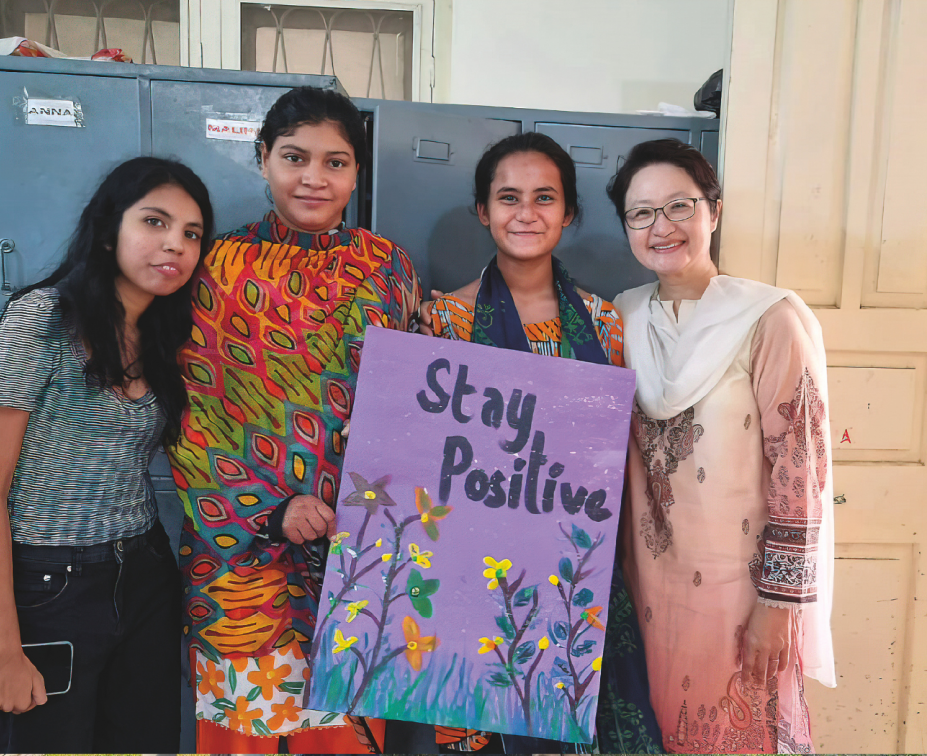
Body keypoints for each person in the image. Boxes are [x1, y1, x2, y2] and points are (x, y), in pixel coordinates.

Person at [167, 86, 421, 753]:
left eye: (335, 162)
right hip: (241, 551)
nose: (314, 177)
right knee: (244, 728)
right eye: (294, 157)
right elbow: (190, 410)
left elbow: (413, 402)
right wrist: (270, 510)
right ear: (263, 159)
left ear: (357, 172)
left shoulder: (389, 267)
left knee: (344, 732)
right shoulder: (216, 266)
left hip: (360, 544)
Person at [426, 131, 663, 754]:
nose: (526, 213)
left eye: (544, 197)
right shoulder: (444, 322)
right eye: (508, 197)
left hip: (578, 569)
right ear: (483, 211)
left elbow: (616, 453)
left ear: (569, 212)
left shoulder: (604, 324)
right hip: (478, 571)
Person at [0, 157, 214, 751]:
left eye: (191, 233)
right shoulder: (41, 320)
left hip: (146, 575)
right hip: (50, 583)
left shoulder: (164, 336)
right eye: (154, 222)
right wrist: (3, 649)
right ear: (108, 232)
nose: (175, 245)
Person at [608, 138, 836, 753]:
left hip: (741, 596)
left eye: (679, 206)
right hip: (643, 590)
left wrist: (780, 604)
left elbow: (801, 470)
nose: (662, 227)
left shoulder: (768, 319)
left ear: (714, 210)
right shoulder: (618, 319)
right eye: (641, 213)